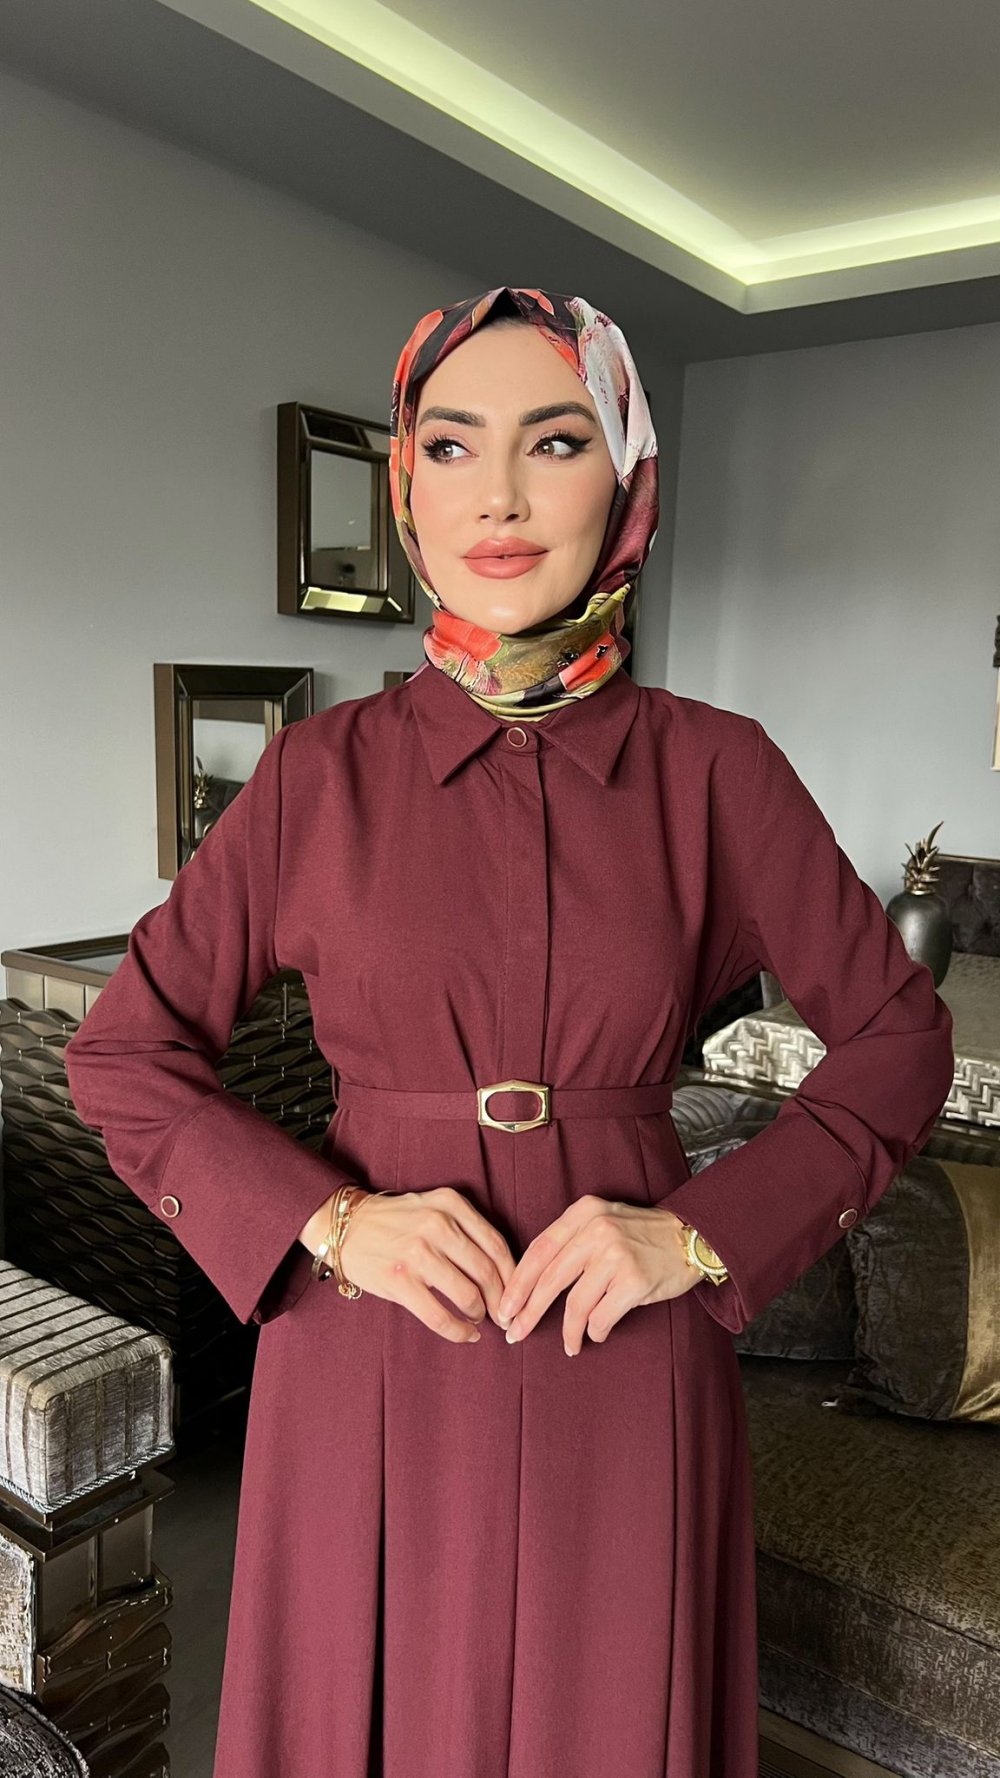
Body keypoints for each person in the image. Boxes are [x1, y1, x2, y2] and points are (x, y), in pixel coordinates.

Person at [63, 285, 955, 1777]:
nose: (500, 495)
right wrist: (331, 1220)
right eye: (452, 445)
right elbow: (121, 1054)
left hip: (627, 1338)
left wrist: (705, 1234)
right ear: (406, 489)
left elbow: (899, 1041)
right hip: (364, 1342)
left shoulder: (721, 774)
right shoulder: (314, 780)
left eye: (554, 441)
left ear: (628, 477)